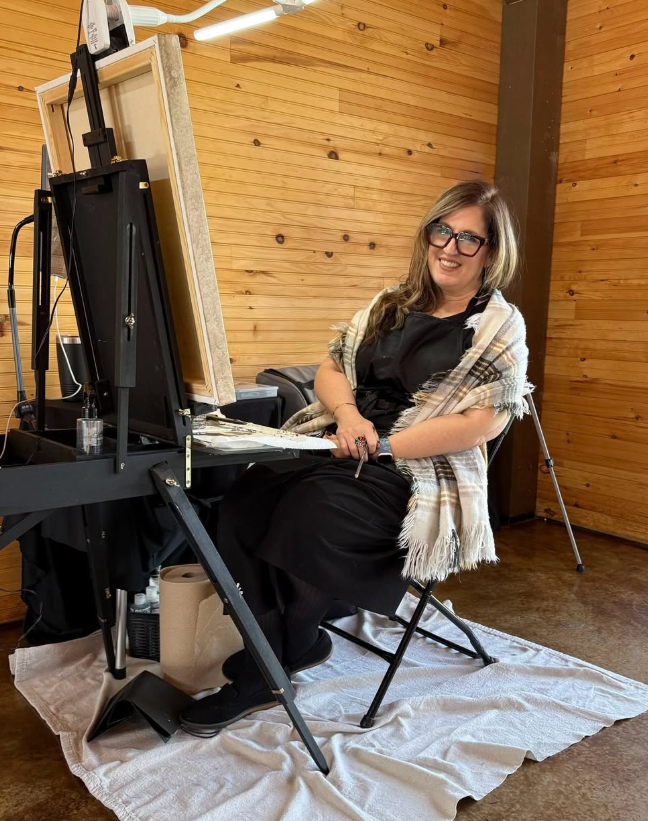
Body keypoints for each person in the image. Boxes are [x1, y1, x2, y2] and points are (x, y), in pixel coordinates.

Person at [180, 180, 530, 736]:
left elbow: (485, 421)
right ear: (428, 233)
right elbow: (331, 369)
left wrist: (384, 444)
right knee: (244, 499)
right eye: (444, 231)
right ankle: (287, 648)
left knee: (311, 514)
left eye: (470, 239)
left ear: (491, 252)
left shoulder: (497, 324)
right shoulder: (392, 303)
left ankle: (271, 666)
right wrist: (348, 417)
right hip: (345, 437)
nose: (451, 247)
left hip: (413, 466)